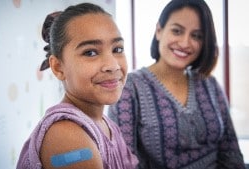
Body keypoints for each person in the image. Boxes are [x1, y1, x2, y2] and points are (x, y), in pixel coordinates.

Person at [108, 0, 246, 168]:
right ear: (159, 30)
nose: (185, 43)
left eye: (196, 36)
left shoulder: (210, 84)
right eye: (177, 31)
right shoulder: (130, 88)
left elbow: (231, 152)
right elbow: (124, 162)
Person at [16, 3, 139, 169]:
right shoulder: (65, 136)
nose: (112, 65)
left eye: (117, 49)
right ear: (58, 67)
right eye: (90, 52)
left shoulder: (108, 125)